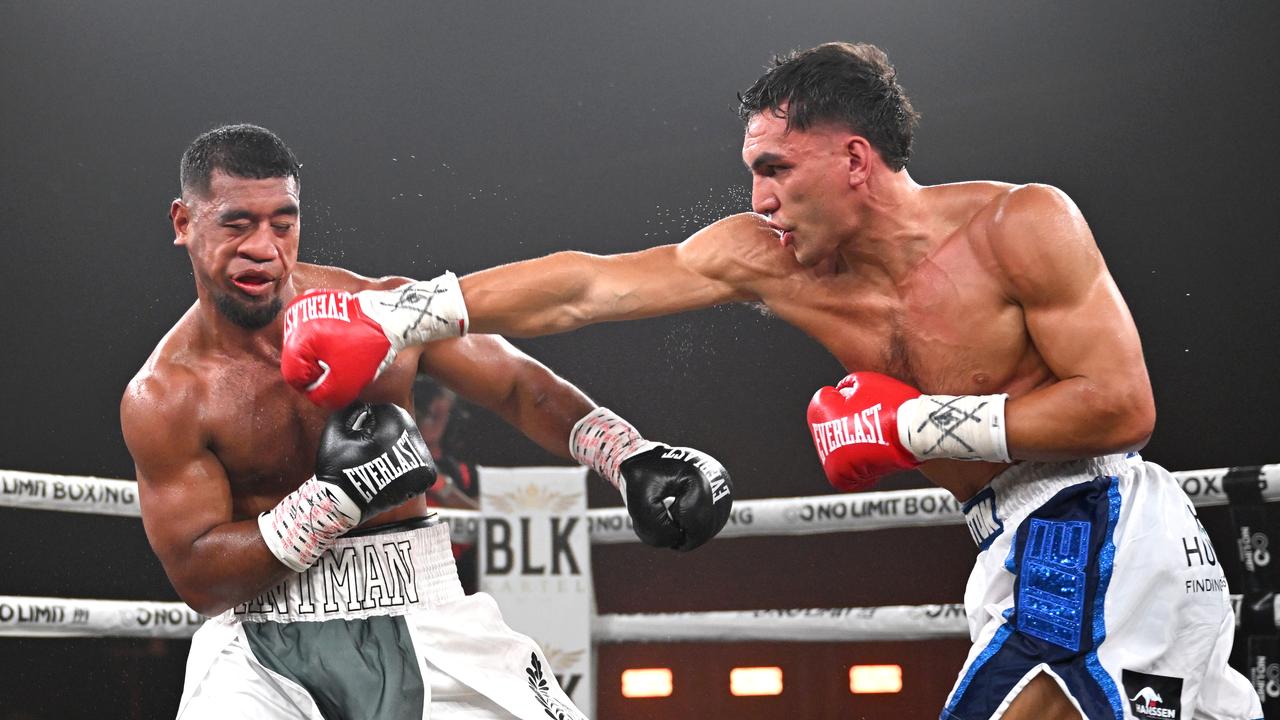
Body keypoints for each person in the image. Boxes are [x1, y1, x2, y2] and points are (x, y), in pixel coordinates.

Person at [285, 43, 1263, 719]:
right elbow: (585, 287)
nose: (757, 199)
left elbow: (1121, 404)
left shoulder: (1017, 226)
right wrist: (392, 315)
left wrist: (918, 426)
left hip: (1091, 517)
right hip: (1004, 542)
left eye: (774, 169)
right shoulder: (769, 258)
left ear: (853, 159)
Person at [120, 124, 734, 720]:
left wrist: (626, 455)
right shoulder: (167, 395)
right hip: (260, 643)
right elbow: (198, 576)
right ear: (183, 223)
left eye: (283, 224)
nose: (264, 248)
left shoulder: (378, 312)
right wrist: (330, 502)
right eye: (236, 224)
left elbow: (517, 385)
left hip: (423, 605)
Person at [413, 377, 482, 594]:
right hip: (410, 576)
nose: (432, 414)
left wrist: (440, 485)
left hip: (459, 580)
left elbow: (487, 523)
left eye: (439, 411)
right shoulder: (386, 465)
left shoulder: (465, 472)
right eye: (426, 408)